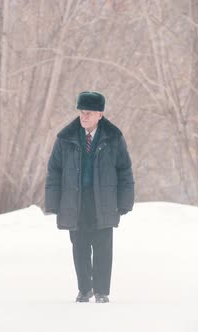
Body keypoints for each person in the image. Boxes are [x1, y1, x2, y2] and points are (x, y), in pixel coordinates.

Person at [45, 91, 134, 303]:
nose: (83, 117)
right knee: (80, 248)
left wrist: (124, 202)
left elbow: (125, 171)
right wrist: (53, 203)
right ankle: (85, 289)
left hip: (103, 202)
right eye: (82, 112)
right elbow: (54, 172)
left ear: (100, 114)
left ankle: (101, 291)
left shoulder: (114, 138)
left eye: (89, 113)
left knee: (103, 248)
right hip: (75, 203)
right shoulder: (65, 138)